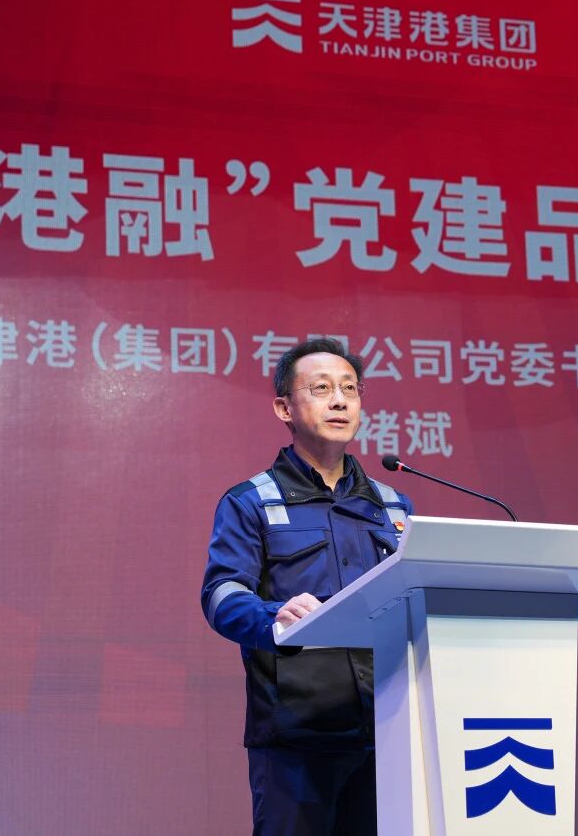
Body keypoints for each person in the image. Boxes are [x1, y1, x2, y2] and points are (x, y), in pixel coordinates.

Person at [201, 338, 415, 836]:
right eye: (321, 389)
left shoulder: (392, 506)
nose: (339, 401)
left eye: (349, 389)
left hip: (388, 730)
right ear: (284, 408)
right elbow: (222, 594)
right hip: (296, 735)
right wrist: (273, 616)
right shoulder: (252, 501)